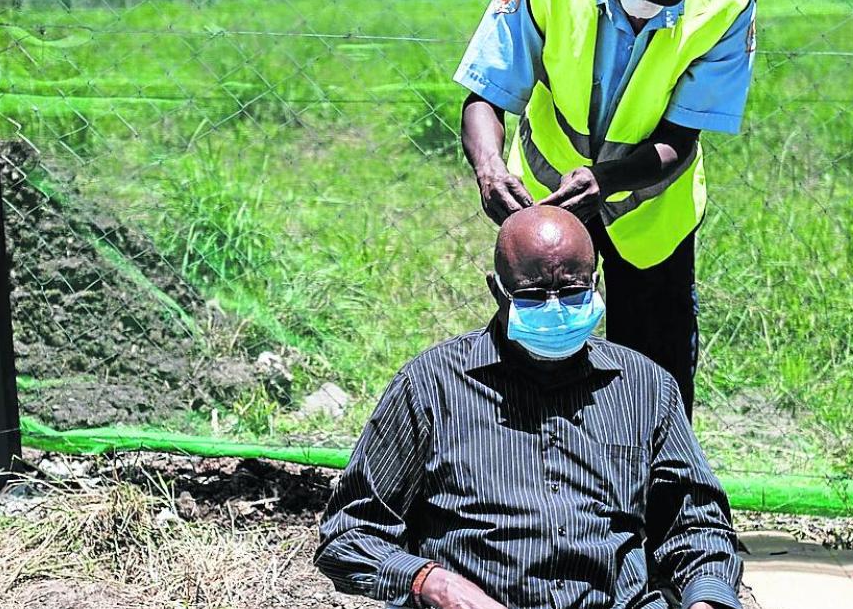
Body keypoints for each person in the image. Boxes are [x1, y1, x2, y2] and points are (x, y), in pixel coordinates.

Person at [316, 206, 743, 609]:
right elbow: (350, 533)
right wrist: (435, 583)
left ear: (596, 284)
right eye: (533, 296)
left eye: (574, 292)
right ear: (496, 290)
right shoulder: (431, 386)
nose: (556, 309)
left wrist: (706, 595)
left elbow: (695, 525)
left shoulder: (645, 387)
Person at [457, 0, 758, 418]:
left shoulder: (728, 1)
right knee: (532, 359)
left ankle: (652, 491)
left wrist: (610, 180)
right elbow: (485, 92)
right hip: (543, 204)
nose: (640, 7)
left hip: (650, 210)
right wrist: (490, 169)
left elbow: (678, 139)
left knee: (654, 371)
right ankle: (529, 483)